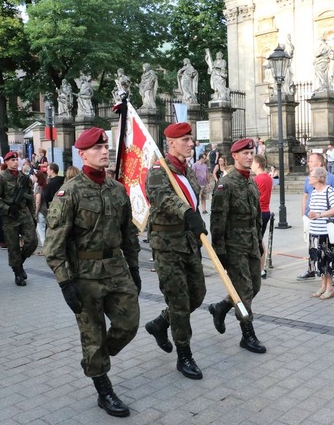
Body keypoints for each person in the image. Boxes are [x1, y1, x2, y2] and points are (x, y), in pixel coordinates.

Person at [44, 127, 140, 417]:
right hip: (84, 276)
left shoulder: (118, 189)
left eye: (106, 146)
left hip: (116, 269)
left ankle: (94, 359)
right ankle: (103, 387)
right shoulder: (68, 193)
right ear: (82, 154)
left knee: (129, 323)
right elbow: (54, 245)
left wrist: (134, 268)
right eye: (97, 148)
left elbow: (129, 235)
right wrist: (65, 284)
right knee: (93, 334)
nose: (104, 151)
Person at [144, 122, 207, 380]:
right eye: (185, 140)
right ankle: (184, 356)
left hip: (188, 242)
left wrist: (198, 225)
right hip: (167, 245)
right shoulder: (159, 171)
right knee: (179, 302)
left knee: (198, 294)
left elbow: (192, 198)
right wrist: (189, 215)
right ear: (171, 143)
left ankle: (160, 323)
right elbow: (165, 199)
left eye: (191, 139)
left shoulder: (187, 170)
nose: (191, 144)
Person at [208, 138, 266, 354]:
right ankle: (247, 334)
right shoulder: (226, 183)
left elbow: (256, 214)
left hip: (250, 242)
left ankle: (221, 307)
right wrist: (219, 252)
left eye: (251, 153)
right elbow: (217, 220)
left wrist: (259, 241)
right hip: (234, 246)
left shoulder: (250, 181)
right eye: (245, 153)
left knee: (254, 286)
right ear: (234, 156)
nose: (250, 157)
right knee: (244, 290)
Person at [0, 151, 38, 286]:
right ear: (6, 162)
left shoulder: (24, 178)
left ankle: (19, 262)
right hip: (10, 216)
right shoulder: (1, 178)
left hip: (24, 213)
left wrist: (33, 215)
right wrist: (7, 208)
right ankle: (18, 272)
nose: (15, 162)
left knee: (32, 241)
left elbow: (30, 198)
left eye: (16, 159)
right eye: (12, 160)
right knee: (13, 246)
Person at [297, 153, 334, 281]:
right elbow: (305, 196)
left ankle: (331, 274)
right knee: (311, 245)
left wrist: (327, 215)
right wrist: (303, 214)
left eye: (311, 161)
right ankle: (311, 269)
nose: (308, 163)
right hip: (310, 217)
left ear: (319, 163)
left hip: (325, 220)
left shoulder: (331, 178)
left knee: (328, 247)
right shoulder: (308, 179)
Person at [307, 166, 334, 299]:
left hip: (326, 233)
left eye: (311, 175)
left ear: (318, 178)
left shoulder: (329, 191)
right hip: (314, 231)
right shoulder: (314, 191)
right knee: (319, 261)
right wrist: (311, 213)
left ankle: (330, 288)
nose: (309, 178)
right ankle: (323, 286)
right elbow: (313, 209)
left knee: (328, 261)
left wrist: (320, 215)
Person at [252, 154, 272, 279]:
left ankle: (258, 268)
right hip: (266, 210)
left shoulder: (257, 179)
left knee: (256, 240)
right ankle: (262, 268)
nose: (251, 166)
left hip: (258, 211)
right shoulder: (268, 178)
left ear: (258, 164)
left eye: (253, 163)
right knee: (260, 239)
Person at [33, 170, 48, 253]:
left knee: (41, 230)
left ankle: (45, 249)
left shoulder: (38, 187)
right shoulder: (44, 185)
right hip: (45, 210)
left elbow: (38, 201)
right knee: (44, 230)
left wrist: (36, 212)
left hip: (41, 211)